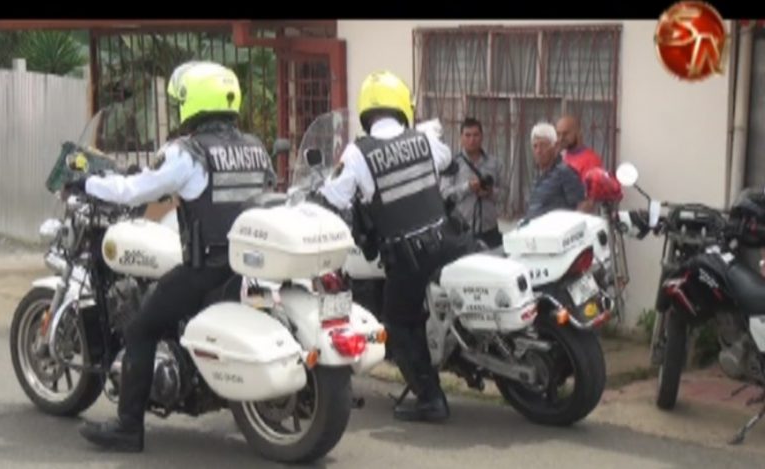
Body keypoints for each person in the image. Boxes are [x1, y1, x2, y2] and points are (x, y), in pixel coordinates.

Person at [68, 61, 277, 452]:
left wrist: (90, 182)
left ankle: (129, 427)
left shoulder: (189, 153)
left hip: (208, 270)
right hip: (249, 268)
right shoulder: (254, 148)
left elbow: (135, 192)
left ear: (190, 103)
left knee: (140, 328)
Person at [315, 70, 469, 423]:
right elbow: (445, 160)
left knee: (398, 324)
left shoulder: (358, 153)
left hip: (408, 256)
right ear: (402, 107)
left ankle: (431, 398)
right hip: (446, 240)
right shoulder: (423, 139)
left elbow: (334, 195)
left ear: (367, 113)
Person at [440, 117, 504, 248]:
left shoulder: (494, 163)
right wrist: (467, 187)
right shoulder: (452, 165)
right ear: (461, 138)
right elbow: (444, 194)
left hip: (490, 230)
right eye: (467, 135)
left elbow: (505, 194)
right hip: (463, 230)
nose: (472, 140)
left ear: (482, 137)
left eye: (476, 135)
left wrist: (490, 192)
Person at [524, 122, 586, 220]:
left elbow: (581, 206)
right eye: (535, 146)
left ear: (556, 146)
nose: (538, 151)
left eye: (543, 145)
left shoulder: (565, 173)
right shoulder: (538, 176)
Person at [556, 115, 604, 212]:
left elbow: (589, 202)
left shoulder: (591, 160)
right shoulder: (560, 157)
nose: (560, 138)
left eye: (565, 134)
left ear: (578, 133)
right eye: (558, 134)